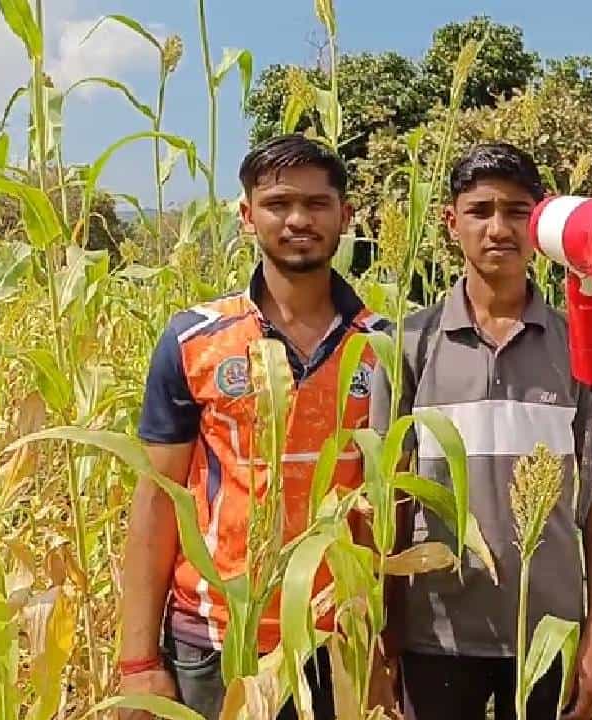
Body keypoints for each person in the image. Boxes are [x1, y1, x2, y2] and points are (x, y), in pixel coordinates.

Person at [116, 134, 387, 720]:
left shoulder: (385, 347)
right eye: (278, 203)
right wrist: (138, 661)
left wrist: (385, 647)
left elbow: (393, 507)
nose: (298, 220)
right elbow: (157, 502)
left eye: (317, 205)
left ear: (345, 215)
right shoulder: (195, 339)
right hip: (214, 639)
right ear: (247, 216)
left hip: (337, 640)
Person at [370, 142, 592, 720]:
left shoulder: (579, 343)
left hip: (549, 631)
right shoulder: (407, 343)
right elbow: (389, 506)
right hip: (438, 634)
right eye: (480, 211)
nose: (498, 228)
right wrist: (384, 639)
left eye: (517, 212)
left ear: (540, 222)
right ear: (452, 223)